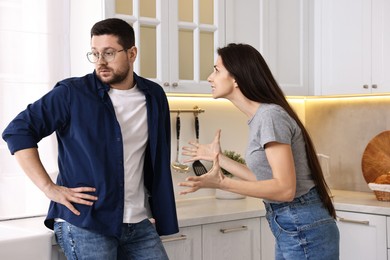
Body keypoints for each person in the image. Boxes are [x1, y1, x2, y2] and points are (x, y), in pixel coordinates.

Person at [2, 18, 178, 259]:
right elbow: (18, 131)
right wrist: (49, 188)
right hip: (86, 222)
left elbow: (153, 158)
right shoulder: (71, 93)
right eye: (94, 53)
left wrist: (154, 205)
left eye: (109, 53)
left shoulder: (153, 95)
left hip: (137, 221)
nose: (100, 62)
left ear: (132, 53)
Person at [179, 43, 339, 259]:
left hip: (302, 224)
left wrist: (222, 183)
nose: (210, 77)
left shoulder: (269, 116)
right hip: (292, 223)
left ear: (236, 78)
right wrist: (219, 159)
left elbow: (285, 190)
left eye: (216, 70)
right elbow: (263, 178)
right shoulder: (260, 118)